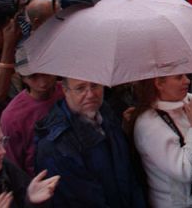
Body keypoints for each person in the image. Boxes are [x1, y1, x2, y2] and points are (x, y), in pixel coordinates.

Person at [34, 77, 147, 207]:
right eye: (80, 88)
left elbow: (130, 174)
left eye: (95, 85)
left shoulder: (107, 113)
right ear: (65, 90)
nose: (91, 94)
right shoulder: (55, 144)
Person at [132, 74, 192, 208]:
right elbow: (184, 171)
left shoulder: (189, 101)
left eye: (186, 75)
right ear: (159, 83)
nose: (187, 81)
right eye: (179, 77)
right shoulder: (148, 123)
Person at [0, 73, 62, 175]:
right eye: (33, 77)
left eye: (46, 74)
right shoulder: (12, 116)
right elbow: (13, 163)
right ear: (23, 77)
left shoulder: (70, 92)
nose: (43, 83)